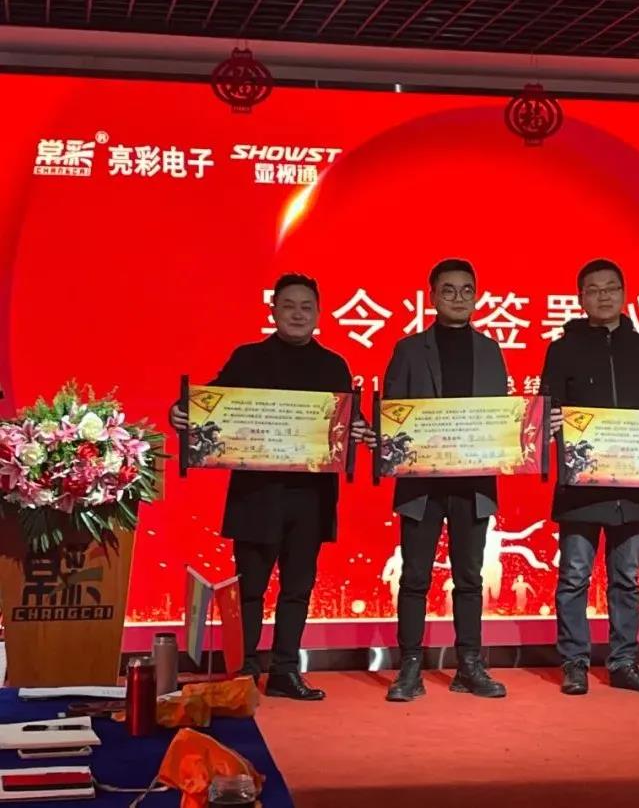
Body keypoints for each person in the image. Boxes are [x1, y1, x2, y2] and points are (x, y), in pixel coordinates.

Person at [169, 273, 369, 701]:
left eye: (306, 307)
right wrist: (181, 413)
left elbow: (346, 420)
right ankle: (243, 671)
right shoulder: (248, 358)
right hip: (256, 496)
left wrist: (361, 429)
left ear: (319, 313)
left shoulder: (334, 365)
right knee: (250, 589)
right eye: (289, 306)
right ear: (273, 310)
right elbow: (209, 407)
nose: (298, 314)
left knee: (297, 588)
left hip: (311, 497)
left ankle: (284, 672)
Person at [541, 258, 639, 696]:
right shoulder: (562, 350)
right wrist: (549, 420)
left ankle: (623, 663)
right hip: (581, 487)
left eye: (611, 288)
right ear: (580, 299)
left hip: (632, 486)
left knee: (627, 579)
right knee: (574, 576)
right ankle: (575, 663)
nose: (604, 296)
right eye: (594, 289)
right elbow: (545, 408)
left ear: (624, 293)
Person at [382, 258, 509, 702]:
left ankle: (469, 665)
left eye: (466, 290)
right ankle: (410, 667)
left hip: (473, 483)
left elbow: (501, 418)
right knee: (414, 576)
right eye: (449, 290)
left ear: (476, 296)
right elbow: (393, 414)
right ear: (432, 295)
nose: (458, 297)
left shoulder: (491, 350)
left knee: (470, 577)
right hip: (421, 485)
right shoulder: (408, 349)